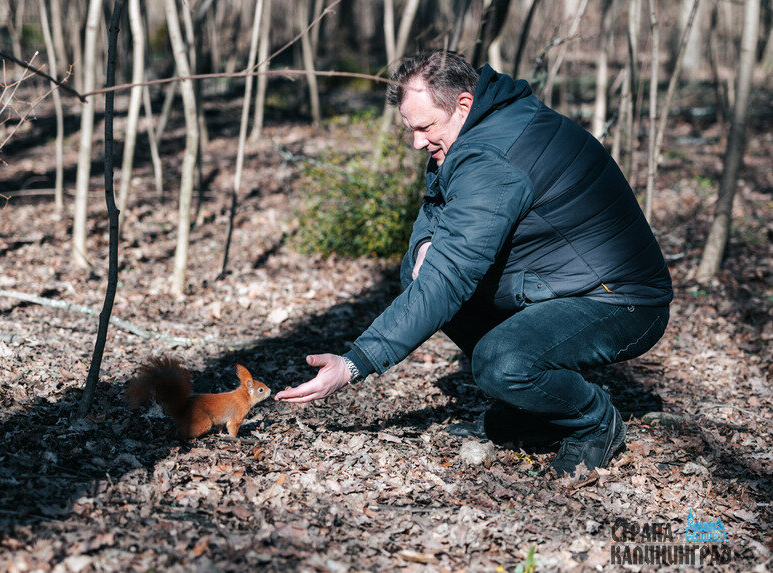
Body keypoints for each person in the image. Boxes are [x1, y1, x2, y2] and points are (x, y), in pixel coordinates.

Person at [275, 50, 672, 476]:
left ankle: (592, 421)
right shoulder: (480, 128)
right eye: (411, 129)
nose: (417, 142)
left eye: (425, 127)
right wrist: (427, 242)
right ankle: (534, 411)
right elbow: (435, 211)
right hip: (558, 283)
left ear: (464, 104)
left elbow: (449, 277)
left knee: (502, 361)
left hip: (623, 302)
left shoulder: (492, 159)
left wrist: (355, 363)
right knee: (419, 272)